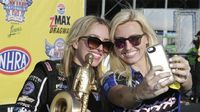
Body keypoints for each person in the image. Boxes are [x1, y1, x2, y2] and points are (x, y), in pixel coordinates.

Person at [13, 15, 113, 112]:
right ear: (76, 42)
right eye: (94, 41)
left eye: (106, 45)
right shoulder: (48, 71)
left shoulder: (104, 82)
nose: (100, 49)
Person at [101, 9, 192, 112]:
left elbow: (187, 88)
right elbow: (121, 96)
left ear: (147, 38)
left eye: (135, 39)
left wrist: (185, 77)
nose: (128, 47)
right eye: (120, 42)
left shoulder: (165, 64)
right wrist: (138, 93)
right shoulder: (111, 79)